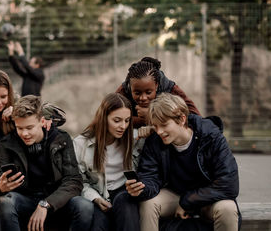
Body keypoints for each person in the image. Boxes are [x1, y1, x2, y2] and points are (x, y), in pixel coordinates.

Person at [126, 93, 240, 231]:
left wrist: (188, 201)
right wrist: (141, 189)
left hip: (209, 198)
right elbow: (150, 176)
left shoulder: (211, 136)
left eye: (164, 125)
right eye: (155, 126)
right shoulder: (155, 141)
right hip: (175, 195)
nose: (159, 131)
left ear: (181, 119)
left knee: (228, 208)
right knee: (149, 203)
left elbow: (229, 184)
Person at [0, 95, 93, 231]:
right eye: (20, 128)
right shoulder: (7, 144)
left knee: (84, 206)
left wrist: (46, 204)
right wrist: (0, 187)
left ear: (42, 121)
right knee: (6, 202)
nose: (24, 133)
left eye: (30, 127)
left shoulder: (61, 139)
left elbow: (73, 181)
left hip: (55, 201)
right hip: (25, 201)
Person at [73, 93, 143, 231]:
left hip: (125, 191)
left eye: (127, 120)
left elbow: (164, 128)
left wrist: (150, 129)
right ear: (103, 118)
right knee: (98, 223)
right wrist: (95, 198)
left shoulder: (136, 139)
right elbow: (79, 181)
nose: (123, 126)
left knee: (126, 207)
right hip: (99, 193)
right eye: (117, 120)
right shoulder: (81, 144)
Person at [0, 69, 65, 145]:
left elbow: (61, 116)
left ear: (9, 94)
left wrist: (17, 111)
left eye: (3, 97)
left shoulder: (15, 100)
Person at [116, 57, 200, 131]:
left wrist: (152, 115)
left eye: (148, 92)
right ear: (130, 87)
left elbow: (196, 119)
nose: (143, 98)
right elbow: (110, 118)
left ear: (156, 85)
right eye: (137, 93)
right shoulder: (123, 91)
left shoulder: (171, 90)